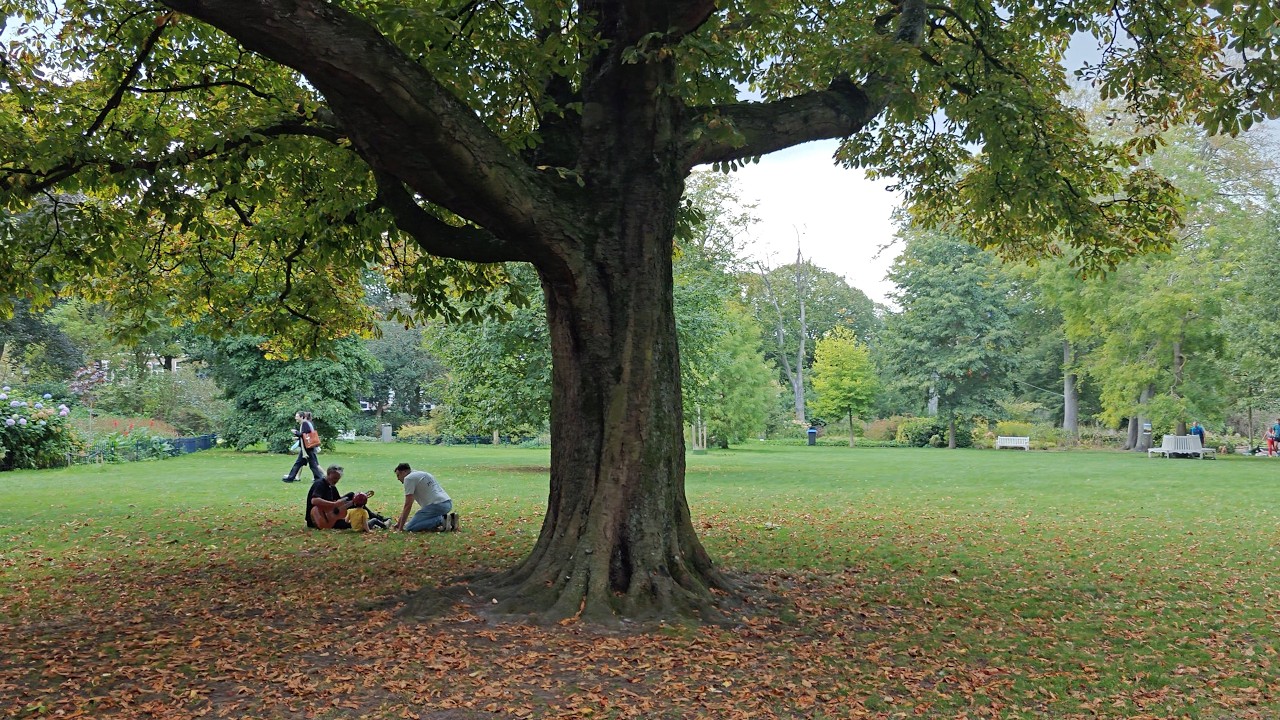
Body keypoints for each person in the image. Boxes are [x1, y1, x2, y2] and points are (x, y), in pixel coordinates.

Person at [306, 464, 382, 529]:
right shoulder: (320, 484)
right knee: (352, 524)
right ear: (328, 474)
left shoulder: (331, 486)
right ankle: (372, 522)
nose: (336, 481)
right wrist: (333, 504)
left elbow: (338, 502)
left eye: (338, 479)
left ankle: (375, 518)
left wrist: (354, 501)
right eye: (334, 478)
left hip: (330, 513)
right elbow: (314, 500)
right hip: (317, 518)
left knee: (352, 495)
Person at [392, 462, 458, 532]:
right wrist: (399, 523)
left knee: (410, 527)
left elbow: (408, 505)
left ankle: (442, 520)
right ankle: (447, 519)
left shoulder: (408, 479)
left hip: (436, 506)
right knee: (416, 523)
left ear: (404, 472)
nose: (398, 478)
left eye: (398, 475)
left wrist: (400, 528)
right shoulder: (421, 474)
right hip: (447, 504)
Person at [282, 410, 324, 483]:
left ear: (302, 417)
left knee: (311, 464)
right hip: (306, 447)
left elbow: (305, 435)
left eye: (297, 416)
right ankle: (291, 478)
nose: (295, 418)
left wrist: (296, 432)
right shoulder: (306, 423)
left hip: (307, 448)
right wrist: (298, 437)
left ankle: (319, 478)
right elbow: (305, 435)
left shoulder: (305, 423)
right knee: (304, 464)